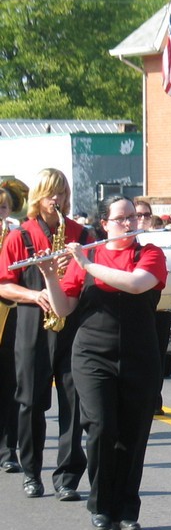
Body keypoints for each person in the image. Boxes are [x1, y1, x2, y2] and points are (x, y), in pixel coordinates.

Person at [38, 196, 166, 530]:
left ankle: (126, 509)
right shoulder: (91, 254)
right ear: (104, 224)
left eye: (133, 218)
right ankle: (100, 504)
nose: (128, 223)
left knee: (133, 436)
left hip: (140, 356)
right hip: (93, 356)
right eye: (121, 218)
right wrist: (51, 276)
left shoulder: (150, 254)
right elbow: (63, 308)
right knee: (101, 428)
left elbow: (137, 284)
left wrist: (85, 264)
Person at [0, 169, 90, 501]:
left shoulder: (80, 232)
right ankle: (31, 472)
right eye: (53, 194)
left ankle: (67, 477)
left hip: (71, 324)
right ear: (39, 197)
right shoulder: (19, 236)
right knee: (29, 401)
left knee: (74, 402)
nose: (59, 200)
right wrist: (32, 295)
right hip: (32, 323)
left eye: (63, 194)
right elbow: (3, 283)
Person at [133, 198, 171, 415]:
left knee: (158, 353)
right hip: (137, 305)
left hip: (160, 303)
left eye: (146, 215)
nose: (142, 220)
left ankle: (154, 398)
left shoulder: (159, 241)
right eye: (137, 215)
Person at [0, 187, 20, 473]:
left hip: (10, 313)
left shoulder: (14, 234)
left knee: (10, 383)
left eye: (4, 207)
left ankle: (7, 450)